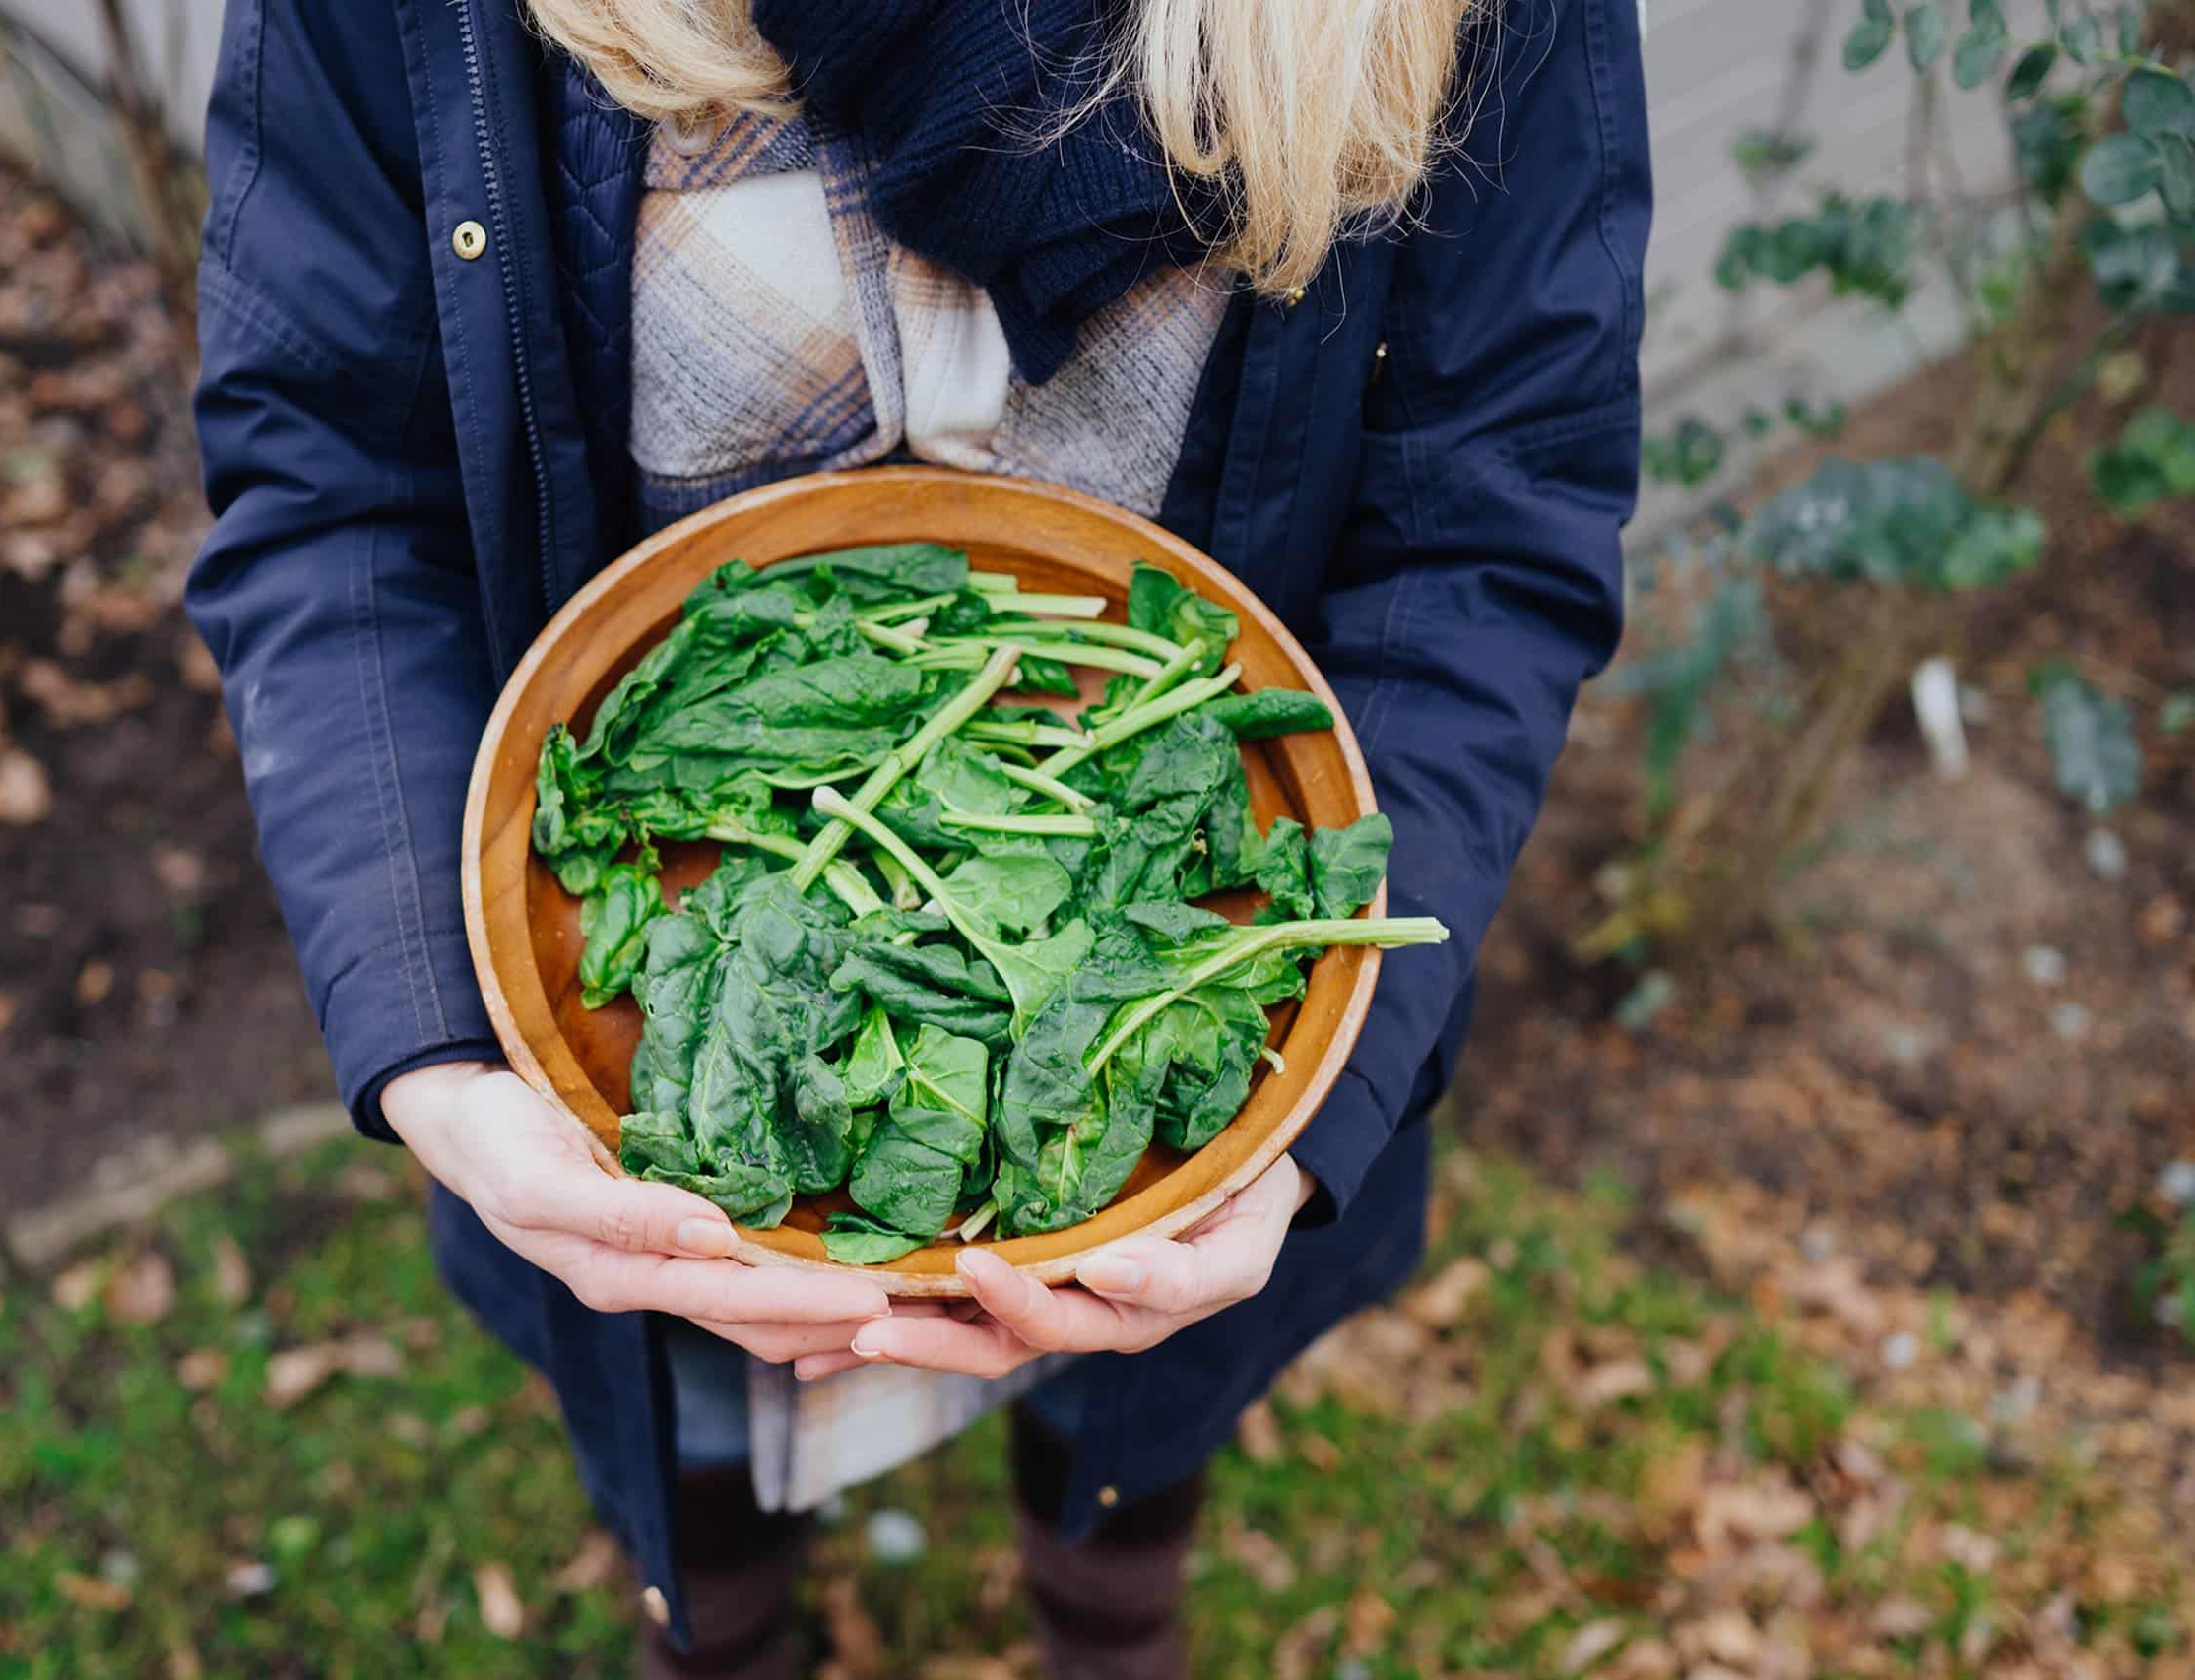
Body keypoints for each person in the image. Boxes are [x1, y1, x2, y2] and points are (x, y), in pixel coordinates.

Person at [187, 0, 1649, 1672]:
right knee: (697, 1383)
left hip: (1165, 955)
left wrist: (1323, 1096)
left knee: (1133, 1376)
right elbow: (333, 482)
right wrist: (440, 1035)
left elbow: (1490, 507)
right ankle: (723, 1622)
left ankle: (1104, 1593)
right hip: (634, 1016)